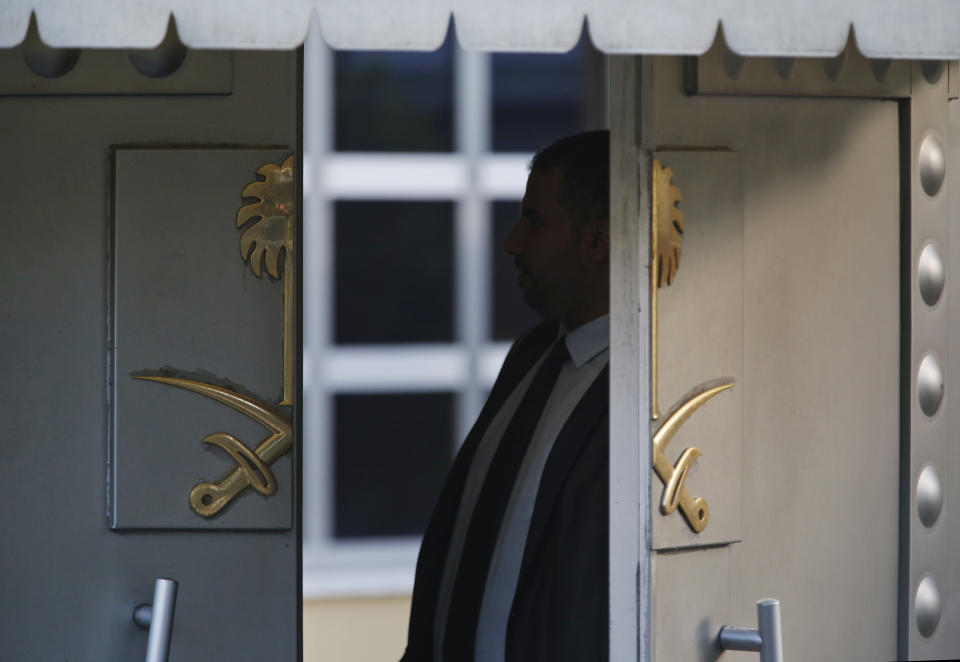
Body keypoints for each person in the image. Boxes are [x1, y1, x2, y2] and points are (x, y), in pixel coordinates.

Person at [401, 130, 611, 662]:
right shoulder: (535, 353)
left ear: (597, 241)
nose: (512, 242)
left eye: (535, 221)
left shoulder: (645, 392)